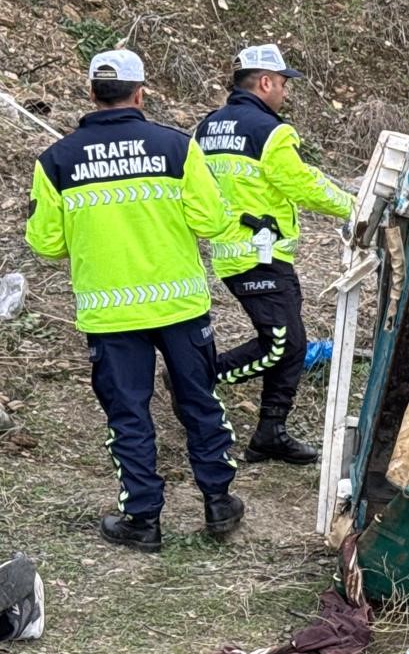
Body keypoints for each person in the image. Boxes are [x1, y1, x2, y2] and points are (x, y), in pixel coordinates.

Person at [25, 49, 245, 552]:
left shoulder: (56, 161)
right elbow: (212, 222)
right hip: (182, 308)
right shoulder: (176, 148)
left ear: (90, 94)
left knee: (128, 415)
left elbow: (45, 243)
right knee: (200, 402)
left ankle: (142, 520)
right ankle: (218, 503)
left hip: (110, 314)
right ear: (140, 91)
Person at [195, 44, 354, 465]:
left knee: (293, 342)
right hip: (257, 254)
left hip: (235, 253)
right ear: (265, 82)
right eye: (283, 83)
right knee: (282, 345)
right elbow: (303, 184)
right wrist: (357, 205)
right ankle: (194, 381)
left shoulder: (206, 127)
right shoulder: (271, 131)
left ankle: (270, 432)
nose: (285, 91)